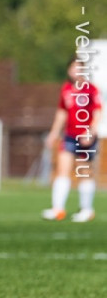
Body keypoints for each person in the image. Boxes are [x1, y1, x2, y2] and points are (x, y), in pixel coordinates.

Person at [42, 56, 100, 222]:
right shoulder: (66, 89)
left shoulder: (91, 89)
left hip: (86, 137)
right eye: (73, 67)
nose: (75, 71)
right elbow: (62, 112)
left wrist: (90, 132)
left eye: (79, 67)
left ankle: (87, 209)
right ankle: (58, 209)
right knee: (62, 170)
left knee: (84, 172)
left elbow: (98, 111)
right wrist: (54, 133)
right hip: (69, 136)